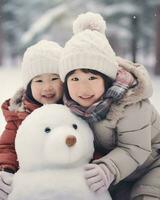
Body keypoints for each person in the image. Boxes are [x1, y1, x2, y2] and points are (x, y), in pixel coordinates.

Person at [59, 12, 160, 200]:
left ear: (107, 79)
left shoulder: (130, 103)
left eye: (92, 77)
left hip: (152, 164)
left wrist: (109, 167)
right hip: (122, 174)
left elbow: (135, 148)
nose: (83, 87)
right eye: (74, 78)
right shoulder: (70, 105)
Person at [0, 40, 63, 199]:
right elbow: (7, 147)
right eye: (39, 80)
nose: (47, 87)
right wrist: (6, 168)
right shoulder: (19, 115)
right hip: (32, 180)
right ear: (28, 86)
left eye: (54, 78)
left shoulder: (73, 111)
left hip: (68, 178)